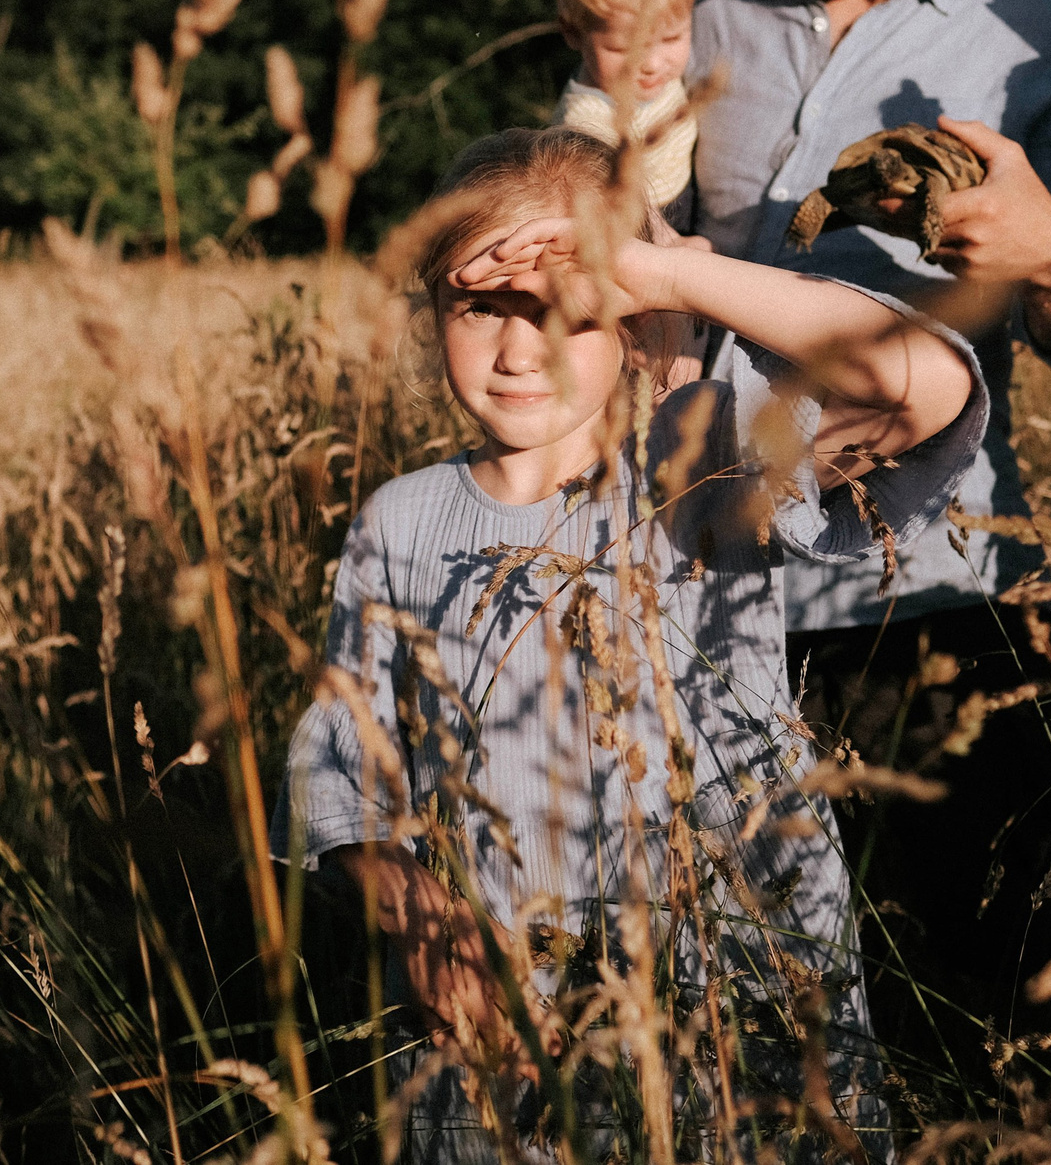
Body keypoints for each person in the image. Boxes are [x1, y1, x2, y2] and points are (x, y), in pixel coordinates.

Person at [284, 127, 990, 1164]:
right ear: (433, 305)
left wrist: (657, 269)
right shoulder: (399, 518)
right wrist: (409, 904)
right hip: (499, 1022)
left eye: (566, 309)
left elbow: (914, 384)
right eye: (481, 304)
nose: (519, 349)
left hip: (733, 993)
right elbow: (337, 753)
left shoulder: (696, 467)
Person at [685, 0, 1051, 1054]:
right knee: (757, 1008)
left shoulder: (1043, 32)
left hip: (925, 586)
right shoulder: (709, 11)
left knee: (994, 999)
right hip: (700, 589)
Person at [547, 0, 701, 220]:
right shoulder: (587, 127)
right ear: (573, 32)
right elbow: (608, 216)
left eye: (672, 38)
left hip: (687, 194)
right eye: (622, 50)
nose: (652, 65)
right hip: (648, 223)